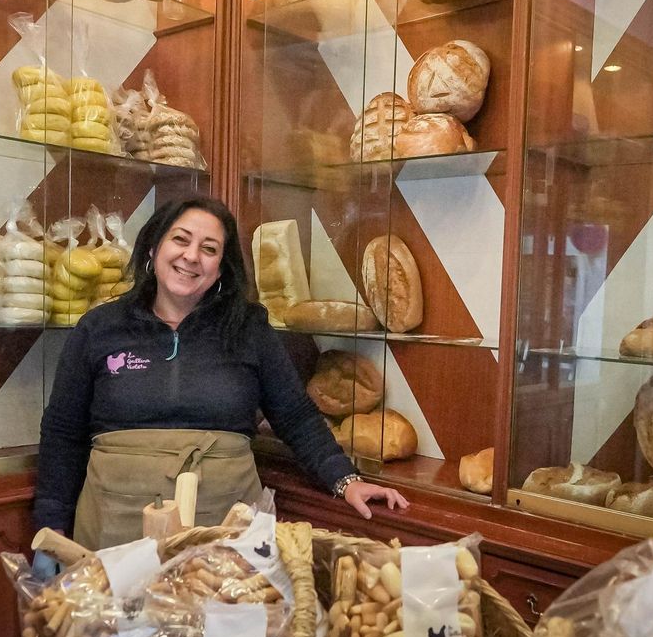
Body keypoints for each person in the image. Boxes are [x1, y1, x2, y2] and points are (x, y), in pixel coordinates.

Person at [35, 195, 409, 548]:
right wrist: (51, 524)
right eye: (180, 240)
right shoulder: (99, 328)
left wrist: (345, 480)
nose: (191, 256)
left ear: (220, 270)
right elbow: (63, 431)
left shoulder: (250, 329)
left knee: (222, 617)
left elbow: (296, 417)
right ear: (153, 249)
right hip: (113, 521)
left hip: (227, 522)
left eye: (209, 248)